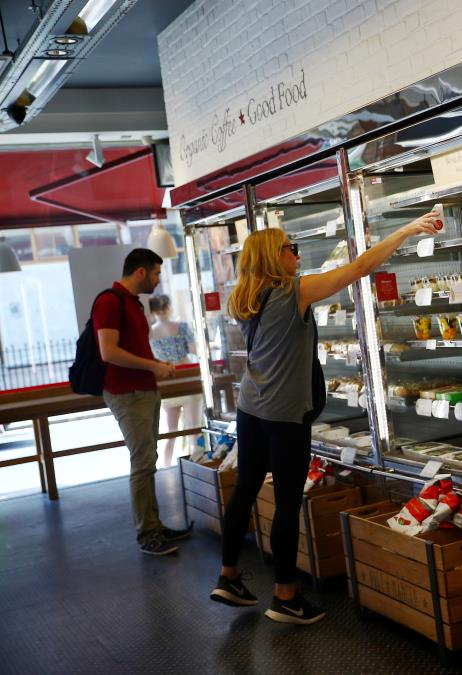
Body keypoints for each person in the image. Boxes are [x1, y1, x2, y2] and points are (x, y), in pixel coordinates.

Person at [211, 213, 441, 625]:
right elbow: (359, 268)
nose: (296, 256)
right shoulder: (292, 293)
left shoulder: (245, 297)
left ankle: (228, 575)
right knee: (285, 502)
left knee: (245, 489)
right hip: (284, 414)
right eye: (289, 249)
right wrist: (405, 231)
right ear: (272, 256)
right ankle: (285, 596)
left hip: (252, 408)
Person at [95, 249, 190, 556]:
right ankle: (147, 533)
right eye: (156, 273)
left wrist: (154, 366)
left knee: (146, 460)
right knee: (142, 462)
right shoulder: (110, 302)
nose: (159, 280)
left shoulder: (132, 303)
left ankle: (153, 524)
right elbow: (108, 352)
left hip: (143, 390)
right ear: (140, 272)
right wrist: (153, 366)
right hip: (127, 393)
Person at [148, 294, 201, 468]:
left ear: (153, 310)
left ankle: (166, 466)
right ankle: (197, 464)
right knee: (194, 427)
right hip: (187, 378)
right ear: (169, 307)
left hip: (167, 383)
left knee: (171, 432)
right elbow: (194, 350)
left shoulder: (151, 333)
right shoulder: (182, 326)